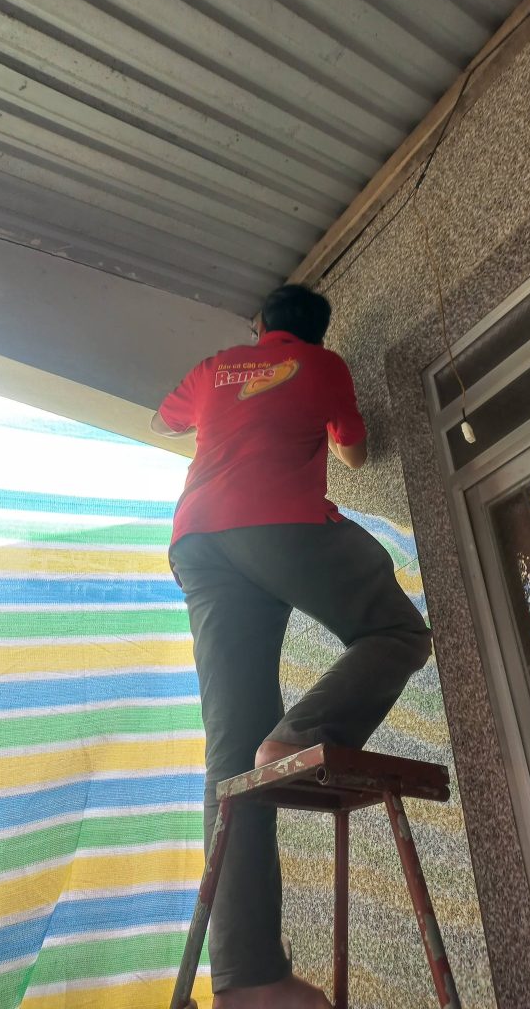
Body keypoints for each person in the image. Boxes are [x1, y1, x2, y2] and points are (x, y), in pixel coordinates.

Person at [152, 285, 432, 1009]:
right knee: (398, 631)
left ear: (259, 327)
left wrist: (228, 400)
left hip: (197, 541)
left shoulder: (216, 366)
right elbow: (357, 452)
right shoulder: (325, 366)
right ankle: (303, 732)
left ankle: (248, 979)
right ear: (317, 333)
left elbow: (164, 420)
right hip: (279, 522)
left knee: (232, 752)